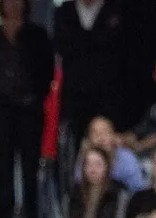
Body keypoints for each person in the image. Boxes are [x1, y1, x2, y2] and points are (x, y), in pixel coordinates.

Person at [0, 0, 53, 218]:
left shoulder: (37, 35)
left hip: (29, 110)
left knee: (30, 168)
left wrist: (34, 96)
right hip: (0, 112)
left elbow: (47, 71)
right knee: (3, 169)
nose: (13, 5)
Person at [53, 0, 125, 144]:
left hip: (107, 91)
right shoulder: (65, 11)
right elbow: (62, 46)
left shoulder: (115, 10)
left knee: (104, 138)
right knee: (73, 140)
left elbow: (118, 49)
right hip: (74, 92)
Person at [64, 146, 129, 218]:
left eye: (98, 164)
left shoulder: (119, 191)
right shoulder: (77, 191)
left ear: (107, 166)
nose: (92, 169)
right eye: (88, 165)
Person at [80, 116, 145, 192]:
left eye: (105, 132)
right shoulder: (84, 159)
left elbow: (139, 192)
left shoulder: (127, 159)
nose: (100, 138)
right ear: (89, 139)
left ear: (113, 136)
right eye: (95, 133)